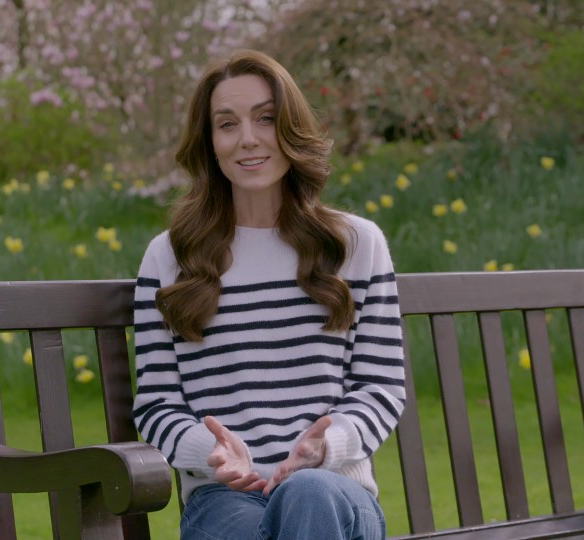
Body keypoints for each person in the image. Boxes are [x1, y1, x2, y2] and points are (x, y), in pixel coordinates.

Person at [132, 49, 406, 540]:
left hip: (336, 491)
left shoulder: (355, 246)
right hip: (223, 500)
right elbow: (157, 404)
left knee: (307, 496)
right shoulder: (170, 257)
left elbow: (381, 385)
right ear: (210, 141)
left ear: (291, 129)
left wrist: (327, 447)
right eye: (227, 124)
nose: (249, 139)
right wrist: (211, 454)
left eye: (266, 118)